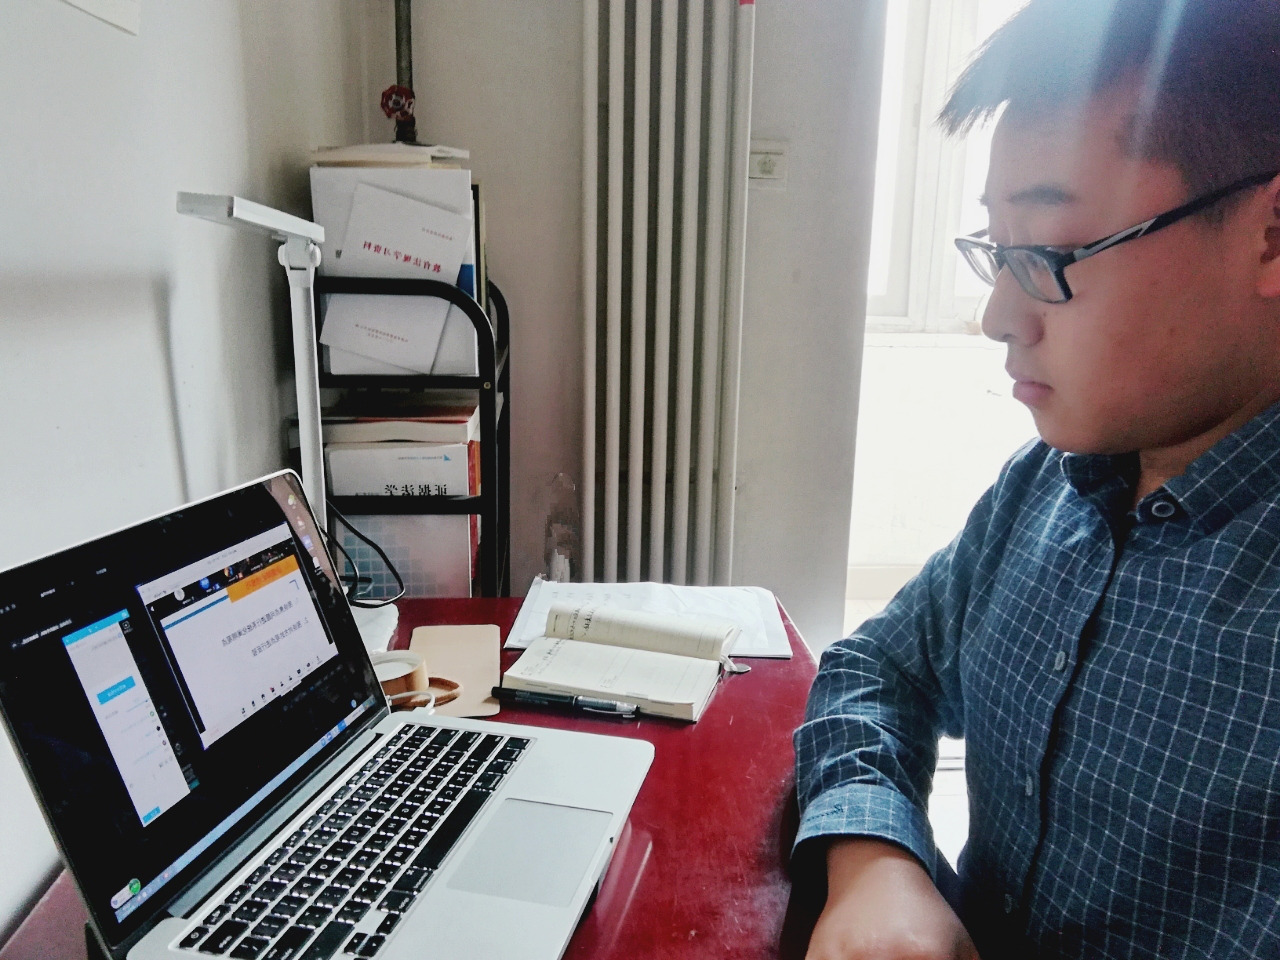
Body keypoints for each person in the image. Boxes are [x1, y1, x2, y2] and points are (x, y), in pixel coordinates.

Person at [793, 1, 1280, 957]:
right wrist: (875, 862)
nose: (999, 316)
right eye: (997, 248)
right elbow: (879, 667)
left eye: (1050, 254)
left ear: (1269, 234)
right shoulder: (1048, 486)